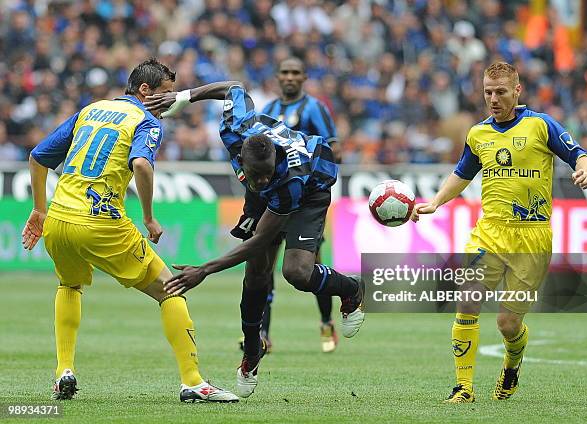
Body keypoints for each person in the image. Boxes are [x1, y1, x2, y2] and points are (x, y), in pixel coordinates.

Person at [21, 58, 238, 403]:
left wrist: (39, 209)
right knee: (171, 290)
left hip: (59, 219)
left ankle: (64, 370)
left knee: (69, 285)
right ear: (145, 90)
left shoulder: (92, 110)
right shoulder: (146, 119)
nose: (171, 102)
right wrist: (149, 217)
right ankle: (193, 381)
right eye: (166, 94)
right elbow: (140, 164)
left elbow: (38, 156)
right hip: (100, 222)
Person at [144, 82, 365, 398]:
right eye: (255, 175)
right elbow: (233, 87)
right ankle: (251, 351)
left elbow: (261, 240)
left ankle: (352, 288)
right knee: (256, 277)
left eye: (265, 174)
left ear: (274, 159)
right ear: (242, 159)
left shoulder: (289, 178)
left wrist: (204, 269)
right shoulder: (236, 128)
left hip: (311, 186)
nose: (260, 179)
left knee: (297, 273)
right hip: (267, 196)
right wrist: (182, 97)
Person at [411, 62, 587, 403]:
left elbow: (578, 155)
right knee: (467, 300)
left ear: (517, 90)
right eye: (488, 93)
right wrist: (436, 202)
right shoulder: (478, 133)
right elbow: (461, 173)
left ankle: (512, 364)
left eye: (500, 92)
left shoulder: (541, 125)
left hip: (532, 238)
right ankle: (463, 388)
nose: (493, 99)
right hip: (489, 232)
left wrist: (584, 170)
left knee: (508, 324)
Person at [238, 57, 340, 353]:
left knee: (309, 266)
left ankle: (325, 322)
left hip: (303, 200)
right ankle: (264, 336)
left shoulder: (314, 108)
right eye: (285, 72)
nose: (290, 77)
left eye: (296, 72)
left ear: (305, 76)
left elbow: (333, 147)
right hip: (274, 200)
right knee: (263, 267)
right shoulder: (268, 110)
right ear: (277, 76)